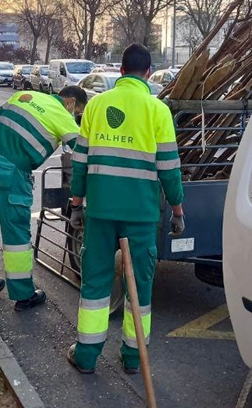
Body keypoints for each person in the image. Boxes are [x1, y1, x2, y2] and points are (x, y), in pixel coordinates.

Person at [67, 43, 185, 374]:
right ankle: (133, 358)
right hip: (141, 216)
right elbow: (170, 170)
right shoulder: (158, 111)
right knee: (139, 287)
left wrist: (76, 204)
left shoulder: (96, 105)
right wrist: (177, 211)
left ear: (120, 71)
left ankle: (87, 356)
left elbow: (80, 163)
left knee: (95, 284)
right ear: (148, 73)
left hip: (101, 212)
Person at [0, 86, 87, 311]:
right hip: (11, 170)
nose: (75, 116)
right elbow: (81, 151)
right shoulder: (62, 114)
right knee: (16, 232)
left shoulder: (24, 96)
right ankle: (24, 295)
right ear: (70, 102)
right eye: (77, 111)